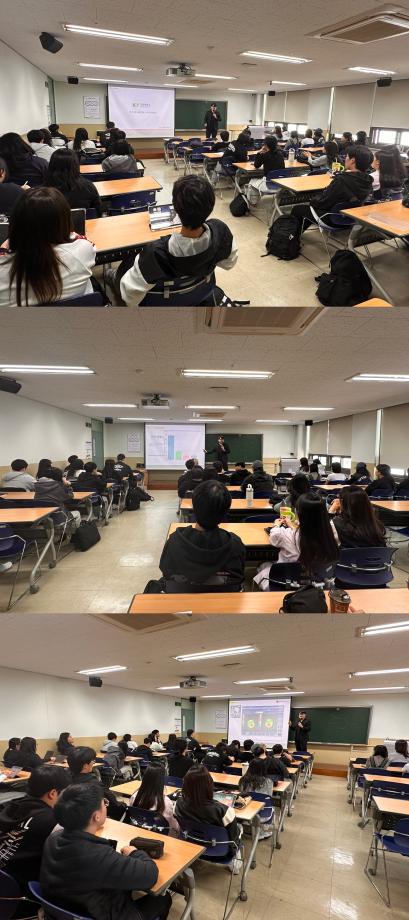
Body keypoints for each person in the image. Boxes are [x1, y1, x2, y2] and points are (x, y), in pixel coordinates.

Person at [40, 783, 172, 920]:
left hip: (65, 907)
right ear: (96, 816)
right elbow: (150, 875)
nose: (106, 805)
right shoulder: (97, 856)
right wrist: (134, 852)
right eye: (104, 802)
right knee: (163, 899)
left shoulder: (53, 838)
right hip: (100, 913)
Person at [116, 175, 237, 305]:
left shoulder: (155, 254)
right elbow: (229, 263)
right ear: (211, 205)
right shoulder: (220, 231)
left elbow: (129, 295)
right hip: (200, 294)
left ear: (175, 208)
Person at [0, 187, 96, 306]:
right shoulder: (83, 250)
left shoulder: (3, 265)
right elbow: (79, 238)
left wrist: (3, 249)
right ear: (65, 222)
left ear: (15, 225)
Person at [151, 479, 246, 593]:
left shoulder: (174, 541)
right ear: (225, 512)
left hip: (181, 601)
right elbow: (239, 575)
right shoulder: (235, 544)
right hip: (224, 601)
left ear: (194, 508)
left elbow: (167, 573)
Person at [0, 765, 69, 889]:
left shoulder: (9, 806)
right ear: (53, 793)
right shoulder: (52, 820)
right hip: (21, 884)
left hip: (5, 873)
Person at [254, 492, 338, 590]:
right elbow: (305, 534)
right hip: (319, 584)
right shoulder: (331, 534)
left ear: (298, 513)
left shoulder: (286, 535)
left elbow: (274, 536)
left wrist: (276, 524)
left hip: (285, 584)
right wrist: (291, 525)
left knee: (263, 565)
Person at [292, 145, 374, 233]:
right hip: (351, 219)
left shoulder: (342, 180)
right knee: (310, 210)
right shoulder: (368, 181)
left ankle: (291, 237)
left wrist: (313, 200)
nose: (345, 159)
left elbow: (323, 202)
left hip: (332, 219)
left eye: (347, 157)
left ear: (352, 160)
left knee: (299, 209)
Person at [174, 764, 242, 869]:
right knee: (239, 828)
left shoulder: (178, 804)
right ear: (210, 785)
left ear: (185, 785)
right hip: (220, 853)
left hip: (191, 846)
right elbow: (233, 840)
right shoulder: (224, 811)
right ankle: (235, 866)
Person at [66, 746, 124, 820]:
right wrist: (123, 806)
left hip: (71, 817)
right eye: (92, 760)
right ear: (85, 766)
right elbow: (113, 803)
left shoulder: (63, 778)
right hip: (90, 819)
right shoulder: (94, 784)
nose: (94, 762)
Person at [45, 148, 103, 216]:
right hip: (84, 222)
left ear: (51, 165)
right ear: (76, 165)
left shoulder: (43, 191)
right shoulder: (88, 186)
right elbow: (98, 211)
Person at [129, 763, 179, 835]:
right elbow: (173, 826)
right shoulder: (166, 802)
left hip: (139, 832)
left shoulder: (135, 796)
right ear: (162, 780)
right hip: (160, 836)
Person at [238, 759, 275, 837]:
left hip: (245, 812)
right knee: (272, 808)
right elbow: (269, 797)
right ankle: (263, 831)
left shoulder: (243, 780)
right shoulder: (268, 782)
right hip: (263, 814)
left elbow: (242, 795)